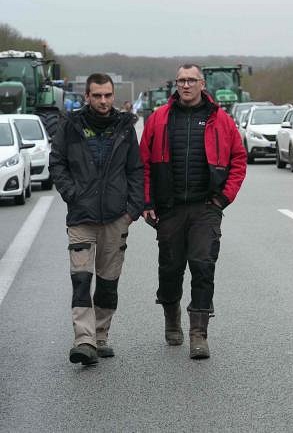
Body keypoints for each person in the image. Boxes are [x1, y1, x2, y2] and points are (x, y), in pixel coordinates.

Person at [139, 64, 246, 359]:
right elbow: (144, 163)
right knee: (170, 269)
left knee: (202, 266)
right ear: (176, 84)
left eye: (191, 80)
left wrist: (224, 198)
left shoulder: (220, 120)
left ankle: (199, 333)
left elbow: (238, 158)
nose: (185, 85)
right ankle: (171, 319)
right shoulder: (159, 119)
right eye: (181, 80)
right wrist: (146, 203)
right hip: (169, 208)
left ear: (202, 84)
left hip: (206, 207)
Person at [49, 73, 144, 366]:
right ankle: (84, 340)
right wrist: (71, 194)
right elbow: (57, 163)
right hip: (81, 217)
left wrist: (132, 210)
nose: (103, 101)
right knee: (81, 280)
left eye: (107, 95)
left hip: (116, 217)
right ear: (87, 97)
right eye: (97, 96)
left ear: (113, 96)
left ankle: (101, 335)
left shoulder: (125, 128)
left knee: (107, 282)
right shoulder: (71, 126)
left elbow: (136, 170)